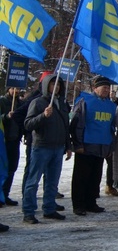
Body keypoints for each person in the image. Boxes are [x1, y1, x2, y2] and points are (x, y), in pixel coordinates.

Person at [22, 74, 71, 224]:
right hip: (41, 147)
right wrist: (43, 116)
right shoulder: (37, 103)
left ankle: (49, 208)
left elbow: (65, 126)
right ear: (46, 86)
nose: (56, 87)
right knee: (33, 180)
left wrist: (68, 146)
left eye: (58, 85)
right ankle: (28, 211)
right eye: (52, 84)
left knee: (52, 181)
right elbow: (28, 124)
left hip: (58, 148)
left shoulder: (62, 103)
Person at [69, 75, 117, 216]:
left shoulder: (111, 106)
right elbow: (76, 124)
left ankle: (91, 202)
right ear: (95, 88)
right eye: (103, 87)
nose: (106, 90)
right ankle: (78, 204)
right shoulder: (85, 101)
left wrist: (110, 147)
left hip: (102, 146)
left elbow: (111, 127)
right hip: (86, 146)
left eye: (108, 88)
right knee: (81, 177)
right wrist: (78, 144)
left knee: (95, 176)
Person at [1, 87, 22, 205]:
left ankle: (5, 194)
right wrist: (6, 116)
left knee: (12, 168)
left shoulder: (20, 103)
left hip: (15, 140)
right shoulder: (2, 101)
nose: (16, 91)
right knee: (3, 168)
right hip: (4, 140)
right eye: (13, 88)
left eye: (18, 88)